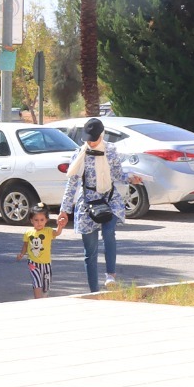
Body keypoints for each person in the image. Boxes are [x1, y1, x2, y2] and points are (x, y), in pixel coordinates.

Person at [56, 117, 143, 292]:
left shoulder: (111, 151)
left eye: (94, 138)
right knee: (90, 251)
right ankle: (93, 291)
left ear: (101, 135)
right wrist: (64, 210)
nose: (91, 142)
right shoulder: (79, 154)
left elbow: (118, 175)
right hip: (87, 204)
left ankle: (110, 275)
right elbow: (72, 184)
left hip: (109, 200)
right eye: (88, 139)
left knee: (109, 232)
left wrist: (132, 178)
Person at [16, 204, 63, 298]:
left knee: (46, 285)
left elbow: (57, 233)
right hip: (33, 263)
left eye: (42, 220)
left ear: (46, 220)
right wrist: (22, 254)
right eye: (36, 220)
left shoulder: (48, 231)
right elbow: (26, 245)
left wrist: (60, 226)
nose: (39, 223)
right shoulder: (28, 232)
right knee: (36, 282)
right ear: (31, 220)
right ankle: (38, 301)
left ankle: (44, 298)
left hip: (46, 263)